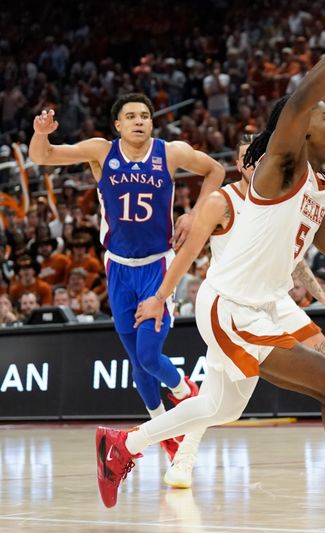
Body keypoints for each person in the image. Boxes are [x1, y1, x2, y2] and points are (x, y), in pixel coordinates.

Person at [94, 8, 325, 521]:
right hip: (230, 307)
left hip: (261, 307)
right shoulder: (281, 168)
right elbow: (300, 98)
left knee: (222, 407)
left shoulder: (320, 188)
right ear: (300, 128)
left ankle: (123, 444)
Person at [155, 134, 325, 490]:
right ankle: (184, 458)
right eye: (247, 159)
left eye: (260, 158)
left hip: (275, 300)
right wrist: (164, 295)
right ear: (239, 165)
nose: (254, 165)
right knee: (214, 393)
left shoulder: (277, 200)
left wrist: (323, 299)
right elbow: (188, 252)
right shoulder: (223, 202)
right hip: (233, 302)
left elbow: (293, 258)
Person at [30, 92, 226, 458]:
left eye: (145, 116)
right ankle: (162, 427)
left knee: (150, 357)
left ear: (152, 123)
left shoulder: (170, 152)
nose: (139, 121)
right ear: (118, 124)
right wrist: (41, 134)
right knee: (137, 361)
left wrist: (197, 214)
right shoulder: (101, 151)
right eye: (131, 116)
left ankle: (186, 391)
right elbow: (43, 156)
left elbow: (215, 169)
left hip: (157, 266)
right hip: (117, 268)